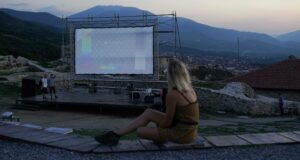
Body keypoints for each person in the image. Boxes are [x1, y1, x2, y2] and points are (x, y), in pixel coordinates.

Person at [95, 59, 199, 145]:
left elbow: (168, 122)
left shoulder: (173, 95)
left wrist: (158, 127)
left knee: (140, 130)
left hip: (182, 134)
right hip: (190, 132)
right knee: (149, 112)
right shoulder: (190, 89)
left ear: (171, 76)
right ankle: (115, 134)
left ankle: (115, 135)